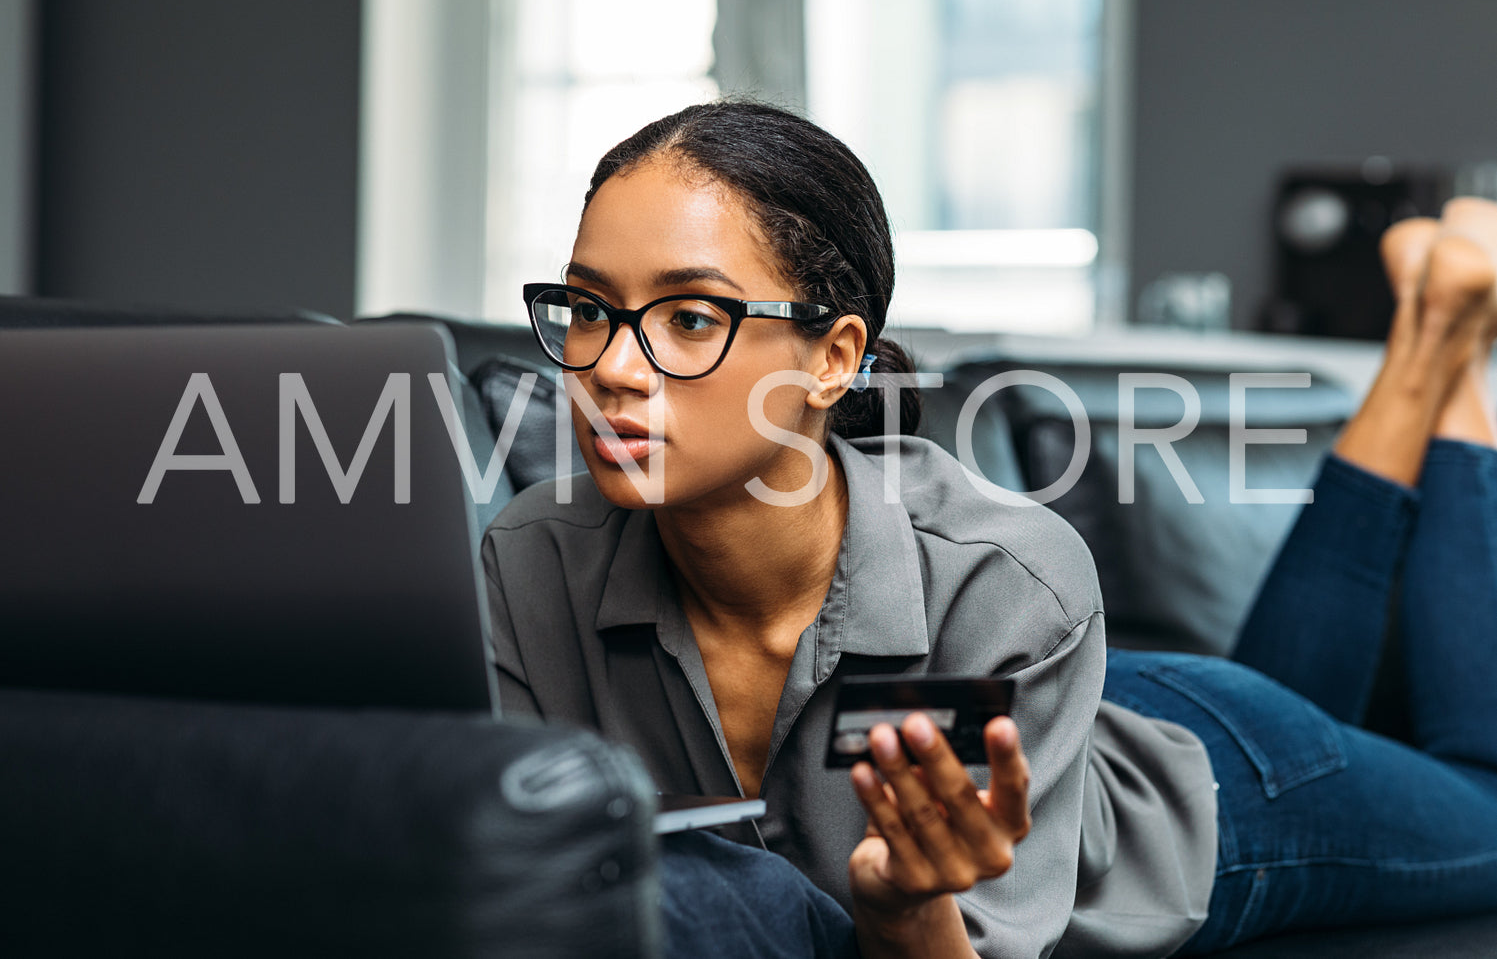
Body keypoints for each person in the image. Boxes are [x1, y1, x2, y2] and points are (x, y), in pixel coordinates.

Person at [480, 100, 1497, 958]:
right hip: (1061, 690)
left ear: (833, 358)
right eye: (585, 308)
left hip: (1222, 791)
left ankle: (1437, 345)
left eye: (689, 318)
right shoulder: (527, 562)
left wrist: (907, 905)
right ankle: (1438, 329)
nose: (609, 365)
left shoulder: (1005, 578)